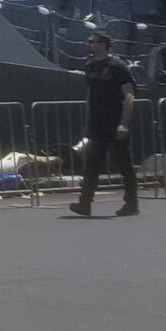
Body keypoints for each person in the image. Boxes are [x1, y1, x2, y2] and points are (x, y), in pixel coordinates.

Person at [70, 31, 142, 217]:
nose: (89, 44)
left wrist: (124, 124)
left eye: (92, 42)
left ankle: (132, 204)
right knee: (91, 164)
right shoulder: (90, 66)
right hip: (97, 124)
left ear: (103, 44)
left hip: (115, 122)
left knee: (125, 164)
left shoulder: (118, 67)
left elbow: (129, 95)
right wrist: (88, 120)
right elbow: (90, 95)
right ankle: (84, 203)